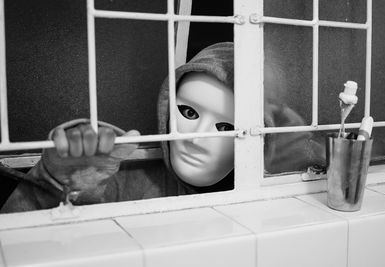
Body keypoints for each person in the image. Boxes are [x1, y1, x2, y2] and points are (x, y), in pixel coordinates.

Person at [1, 42, 324, 213]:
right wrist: (55, 181)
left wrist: (295, 150)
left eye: (226, 126)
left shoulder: (274, 195)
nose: (196, 139)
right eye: (187, 111)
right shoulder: (121, 183)